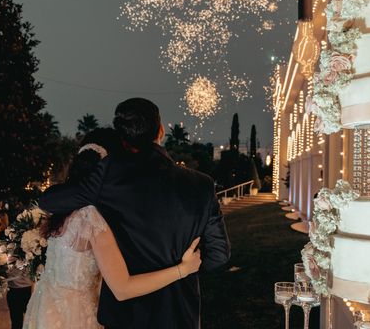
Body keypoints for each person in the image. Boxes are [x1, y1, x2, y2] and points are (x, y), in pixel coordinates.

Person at [39, 99, 230, 328]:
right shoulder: (201, 184)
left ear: (122, 137)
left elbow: (49, 201)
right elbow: (219, 255)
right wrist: (186, 266)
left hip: (126, 317)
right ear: (160, 131)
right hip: (180, 314)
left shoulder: (108, 176)